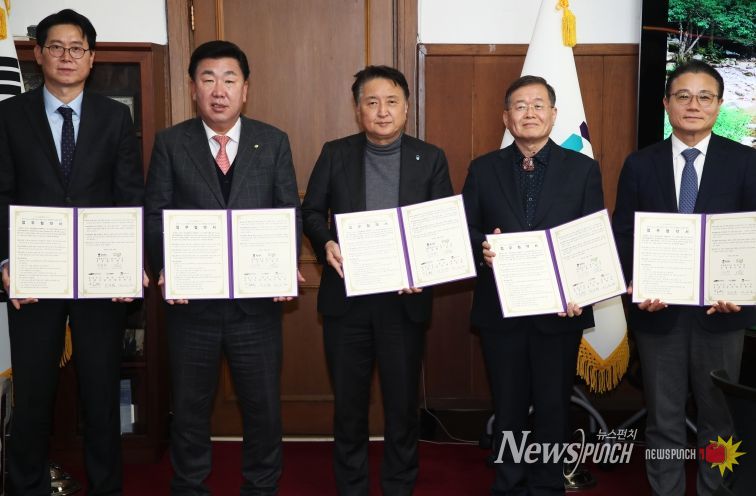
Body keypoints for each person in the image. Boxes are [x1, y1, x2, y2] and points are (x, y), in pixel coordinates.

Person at [144, 40, 301, 495]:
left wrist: (284, 264)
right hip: (192, 306)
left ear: (245, 89)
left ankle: (262, 487)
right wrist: (167, 265)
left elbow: (287, 212)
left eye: (229, 79)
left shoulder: (273, 141)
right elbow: (155, 214)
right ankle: (190, 486)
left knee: (263, 408)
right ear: (193, 88)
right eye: (208, 79)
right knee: (189, 410)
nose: (219, 90)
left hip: (256, 307)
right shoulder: (171, 143)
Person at [0, 9, 144, 495]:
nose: (67, 56)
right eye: (56, 47)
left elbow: (129, 194)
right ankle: (26, 487)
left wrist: (130, 264)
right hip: (33, 277)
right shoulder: (9, 116)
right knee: (33, 396)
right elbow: (1, 193)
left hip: (100, 279)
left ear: (92, 57)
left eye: (77, 48)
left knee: (101, 394)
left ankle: (106, 487)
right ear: (38, 54)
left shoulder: (114, 117)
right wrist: (5, 262)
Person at [302, 65, 453, 495]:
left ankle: (398, 486)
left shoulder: (430, 157)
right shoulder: (335, 153)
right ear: (358, 110)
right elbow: (310, 211)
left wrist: (425, 268)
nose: (382, 111)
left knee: (402, 406)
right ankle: (351, 487)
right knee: (349, 406)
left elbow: (442, 224)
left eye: (391, 102)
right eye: (372, 102)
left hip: (403, 303)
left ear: (406, 109)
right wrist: (326, 242)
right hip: (347, 301)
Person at [612, 59, 756, 496]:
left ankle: (715, 490)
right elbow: (624, 233)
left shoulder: (746, 162)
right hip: (659, 314)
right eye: (683, 96)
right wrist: (636, 285)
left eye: (704, 97)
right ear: (666, 103)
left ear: (718, 105)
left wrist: (743, 290)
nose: (694, 105)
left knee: (719, 421)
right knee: (664, 419)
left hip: (723, 314)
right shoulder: (640, 164)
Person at [462, 75, 604, 495]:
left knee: (553, 406)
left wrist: (581, 291)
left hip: (560, 311)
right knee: (507, 407)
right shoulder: (482, 168)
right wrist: (482, 247)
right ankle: (508, 483)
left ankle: (547, 485)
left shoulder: (582, 169)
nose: (530, 113)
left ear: (554, 115)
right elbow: (465, 230)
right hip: (501, 311)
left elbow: (591, 238)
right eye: (520, 106)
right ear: (506, 117)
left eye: (539, 105)